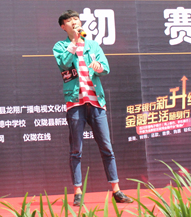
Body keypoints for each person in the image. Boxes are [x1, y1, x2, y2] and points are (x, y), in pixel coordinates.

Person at [52, 10, 133, 206]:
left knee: (107, 147)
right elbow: (64, 64)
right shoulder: (60, 46)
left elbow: (106, 68)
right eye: (70, 21)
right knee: (76, 149)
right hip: (75, 102)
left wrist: (99, 67)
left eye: (76, 19)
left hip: (96, 101)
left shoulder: (93, 45)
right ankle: (78, 192)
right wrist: (74, 42)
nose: (75, 22)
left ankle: (116, 190)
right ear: (63, 26)